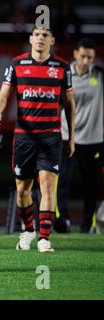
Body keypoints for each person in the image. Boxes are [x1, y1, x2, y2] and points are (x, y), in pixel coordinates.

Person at [0, 27, 76, 253]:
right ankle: (29, 230)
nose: (40, 38)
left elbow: (69, 105)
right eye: (37, 34)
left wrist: (72, 137)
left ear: (52, 40)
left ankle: (45, 238)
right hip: (24, 139)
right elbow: (2, 95)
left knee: (48, 186)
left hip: (51, 137)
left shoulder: (61, 68)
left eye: (45, 35)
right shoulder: (16, 64)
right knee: (22, 190)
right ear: (31, 39)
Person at [56, 38, 104, 233]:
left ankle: (88, 224)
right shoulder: (64, 76)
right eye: (83, 56)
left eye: (90, 58)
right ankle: (62, 220)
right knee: (62, 180)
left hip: (93, 140)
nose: (86, 61)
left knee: (91, 184)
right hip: (67, 137)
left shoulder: (100, 76)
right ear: (75, 54)